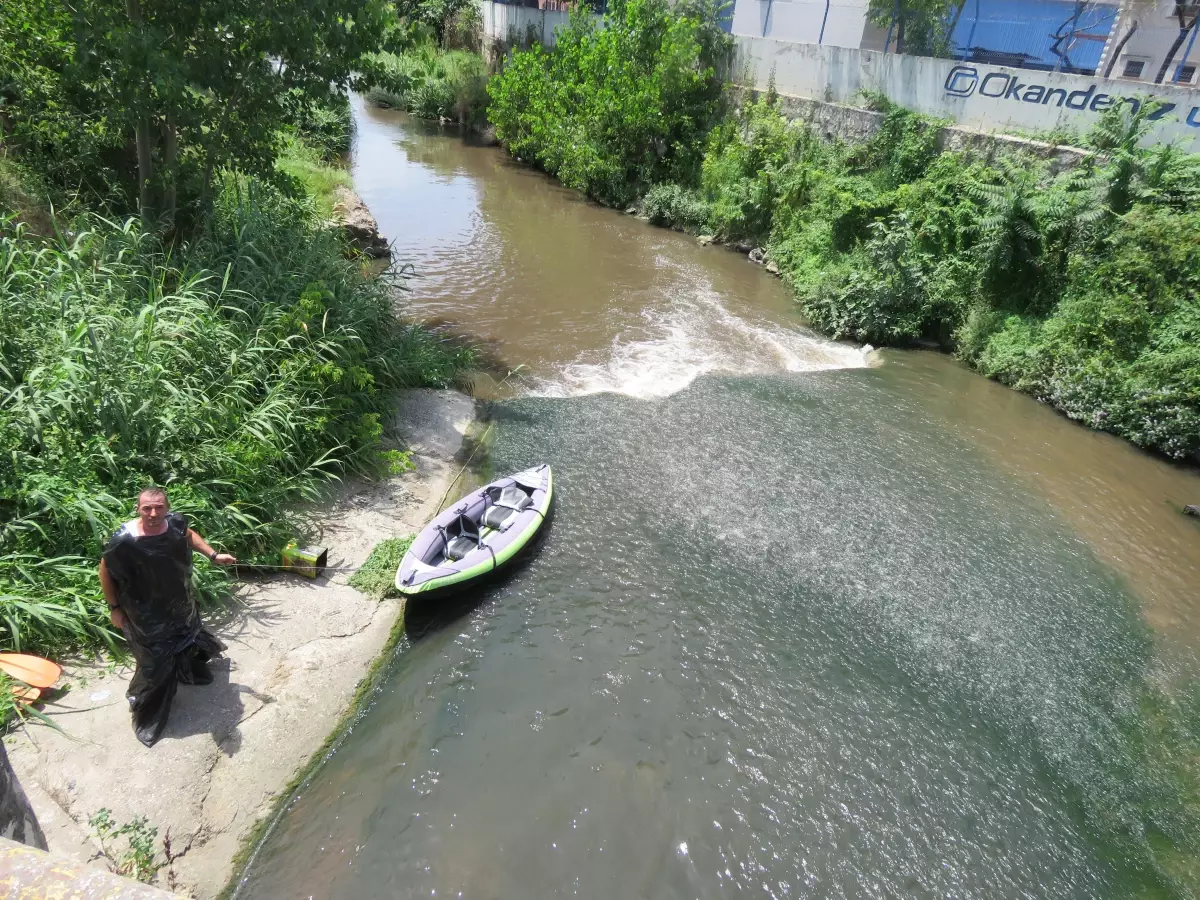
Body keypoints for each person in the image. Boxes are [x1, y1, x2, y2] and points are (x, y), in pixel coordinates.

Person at [98, 487, 236, 747]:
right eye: (147, 508)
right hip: (145, 612)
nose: (153, 513)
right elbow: (105, 573)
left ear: (167, 507)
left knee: (189, 635)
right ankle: (148, 709)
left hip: (180, 601)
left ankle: (189, 672)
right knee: (155, 660)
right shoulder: (123, 540)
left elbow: (189, 535)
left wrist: (213, 555)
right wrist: (115, 608)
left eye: (159, 507)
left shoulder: (174, 524)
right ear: (138, 509)